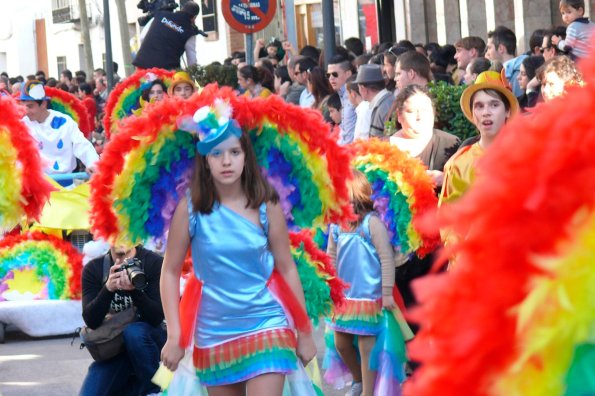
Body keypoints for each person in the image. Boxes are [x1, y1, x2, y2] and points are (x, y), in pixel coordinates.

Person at [159, 104, 316, 394]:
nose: (226, 161)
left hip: (267, 322)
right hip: (213, 331)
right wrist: (174, 334)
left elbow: (286, 266)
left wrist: (304, 331)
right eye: (216, 154)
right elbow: (169, 271)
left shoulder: (266, 203)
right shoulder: (190, 210)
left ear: (246, 156)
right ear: (204, 160)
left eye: (234, 152)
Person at [326, 169, 402, 396]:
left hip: (369, 298)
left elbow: (386, 258)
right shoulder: (337, 225)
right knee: (341, 343)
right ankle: (358, 380)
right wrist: (331, 287)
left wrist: (387, 292)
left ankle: (368, 391)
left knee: (367, 347)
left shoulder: (372, 224)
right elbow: (330, 257)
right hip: (346, 299)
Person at [80, 244, 166, 396]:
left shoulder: (154, 262)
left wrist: (134, 291)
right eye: (116, 229)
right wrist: (107, 289)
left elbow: (156, 317)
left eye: (127, 229)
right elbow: (91, 321)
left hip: (149, 340)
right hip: (115, 348)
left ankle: (154, 391)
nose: (122, 236)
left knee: (135, 333)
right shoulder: (94, 268)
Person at [439, 71, 519, 206]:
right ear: (473, 113)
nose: (486, 112)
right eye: (479, 106)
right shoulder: (459, 164)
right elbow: (448, 220)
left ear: (507, 111)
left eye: (494, 105)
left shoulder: (528, 157)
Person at [18, 81, 98, 177]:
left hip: (66, 186)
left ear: (43, 104)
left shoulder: (65, 122)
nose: (25, 111)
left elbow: (82, 145)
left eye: (30, 106)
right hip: (36, 187)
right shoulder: (22, 125)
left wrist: (93, 164)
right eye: (23, 105)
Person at [390, 85, 460, 188]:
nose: (419, 117)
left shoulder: (452, 144)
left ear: (433, 113)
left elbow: (470, 187)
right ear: (399, 116)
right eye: (411, 111)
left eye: (425, 110)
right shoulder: (382, 149)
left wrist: (447, 179)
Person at [133, 1, 201, 70]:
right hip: (166, 72)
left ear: (182, 9)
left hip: (142, 64)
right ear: (194, 17)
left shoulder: (161, 14)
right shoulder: (190, 32)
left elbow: (142, 37)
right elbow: (192, 61)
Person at [485, 26, 527, 97]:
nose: (487, 53)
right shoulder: (508, 72)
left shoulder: (517, 74)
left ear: (501, 48)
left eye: (489, 48)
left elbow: (517, 105)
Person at [356, 64, 394, 139]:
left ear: (363, 88)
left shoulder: (386, 106)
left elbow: (390, 138)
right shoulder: (386, 102)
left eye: (358, 87)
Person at [327, 55, 357, 145]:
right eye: (328, 75)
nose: (331, 78)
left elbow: (350, 135)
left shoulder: (354, 94)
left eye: (335, 74)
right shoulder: (342, 95)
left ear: (348, 74)